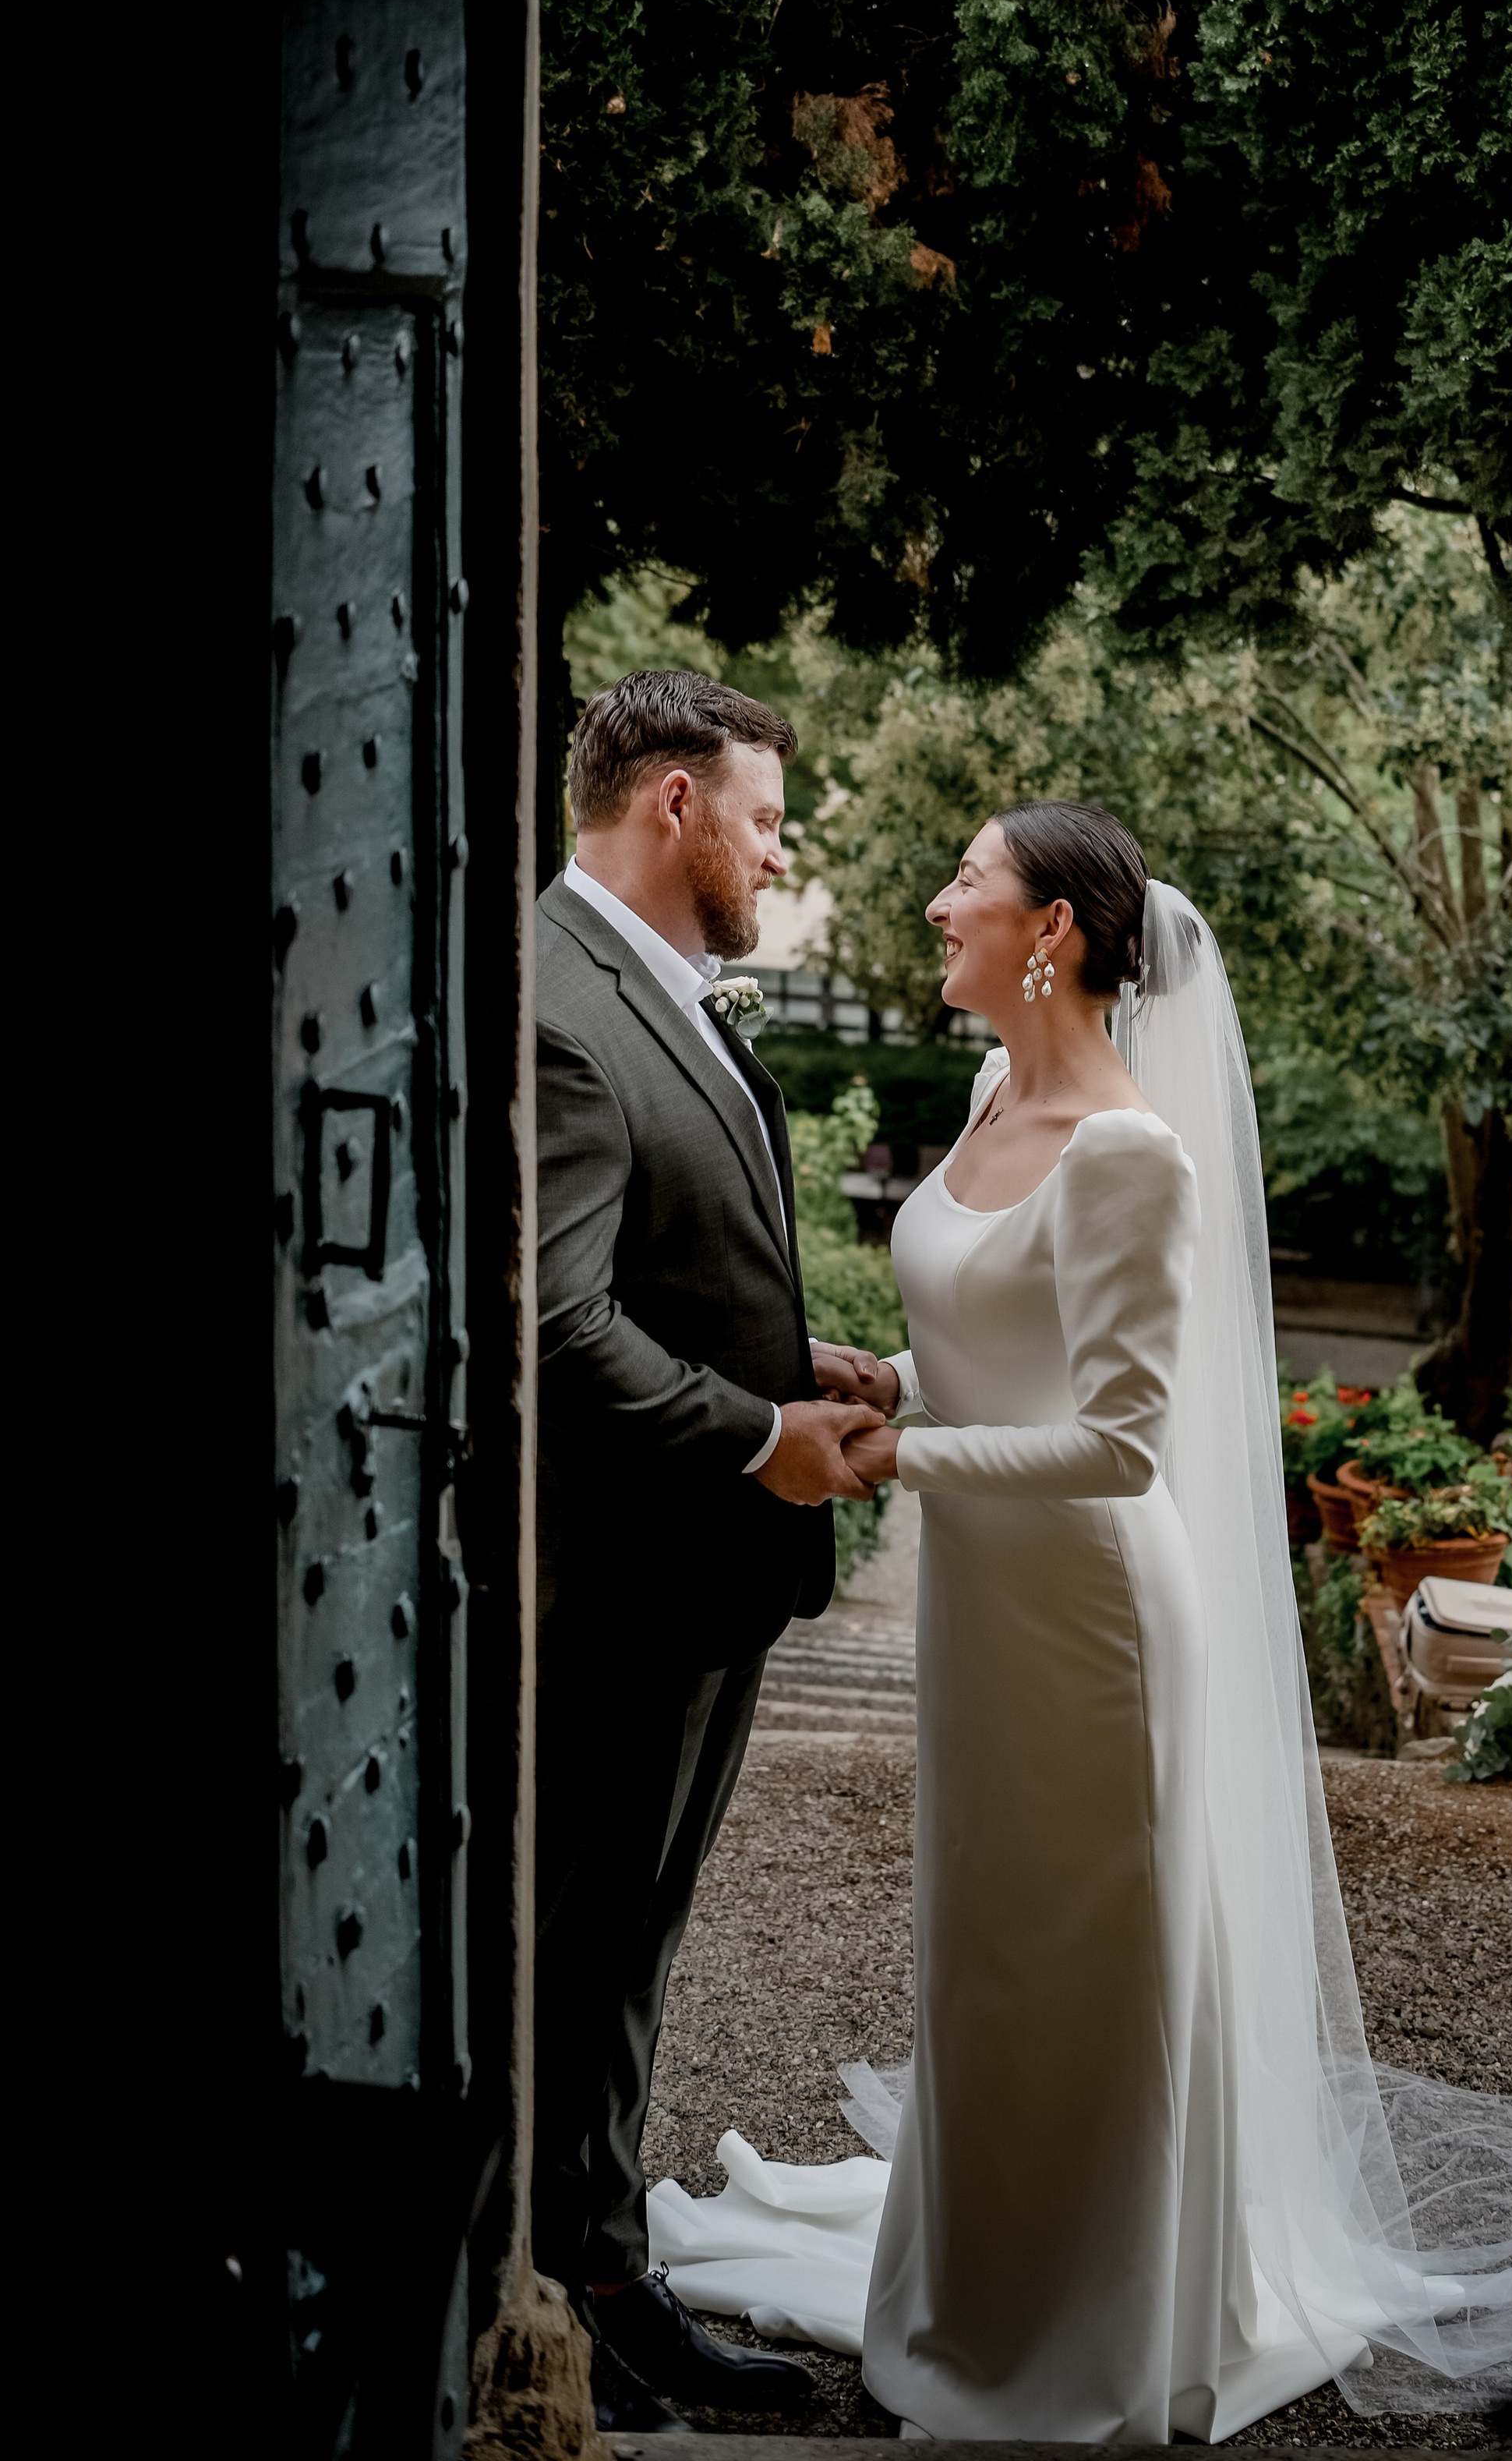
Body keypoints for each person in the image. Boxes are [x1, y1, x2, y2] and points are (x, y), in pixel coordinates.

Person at [648, 801, 1512, 2438]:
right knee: (982, 1955)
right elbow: (1002, 1343)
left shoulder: (1128, 1152)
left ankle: (1092, 2332)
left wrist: (890, 1459)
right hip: (986, 1605)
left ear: (1052, 932)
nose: (939, 902)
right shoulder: (987, 1091)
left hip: (1090, 1619)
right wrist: (891, 1377)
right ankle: (976, 2286)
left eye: (969, 881)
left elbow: (1116, 1442)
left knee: (1083, 1968)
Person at [532, 670, 885, 2432]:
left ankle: (590, 2268)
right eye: (763, 818)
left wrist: (784, 1356)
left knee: (631, 1937)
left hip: (702, 1579)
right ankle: (584, 2298)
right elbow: (556, 1323)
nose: (777, 851)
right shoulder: (559, 1004)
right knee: (592, 1948)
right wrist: (760, 1436)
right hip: (625, 1582)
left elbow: (663, 1257)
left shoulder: (646, 982)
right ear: (673, 804)